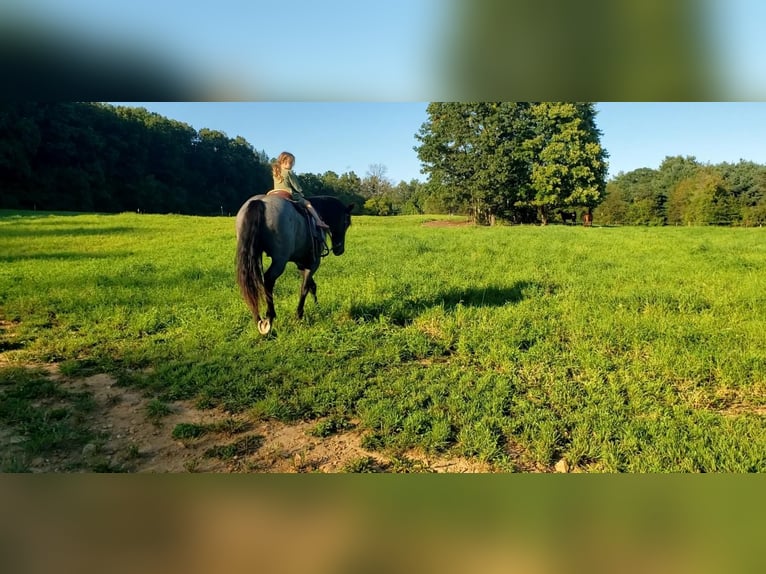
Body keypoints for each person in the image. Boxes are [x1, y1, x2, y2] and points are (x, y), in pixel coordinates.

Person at [271, 151, 329, 230]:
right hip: (287, 194)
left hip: (275, 194)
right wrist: (301, 193)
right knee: (308, 204)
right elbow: (296, 187)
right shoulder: (289, 172)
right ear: (283, 162)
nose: (292, 165)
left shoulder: (276, 172)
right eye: (290, 163)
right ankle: (319, 221)